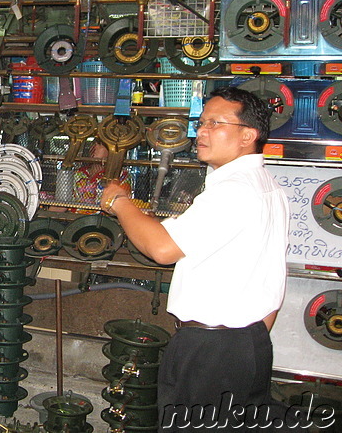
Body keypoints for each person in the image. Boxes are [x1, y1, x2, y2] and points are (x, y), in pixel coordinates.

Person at [99, 87, 288, 431]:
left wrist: (119, 201)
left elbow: (162, 248)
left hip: (211, 351)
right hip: (246, 342)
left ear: (248, 135)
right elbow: (272, 278)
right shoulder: (269, 187)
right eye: (201, 123)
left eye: (215, 124)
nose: (200, 132)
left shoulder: (235, 190)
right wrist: (247, 340)